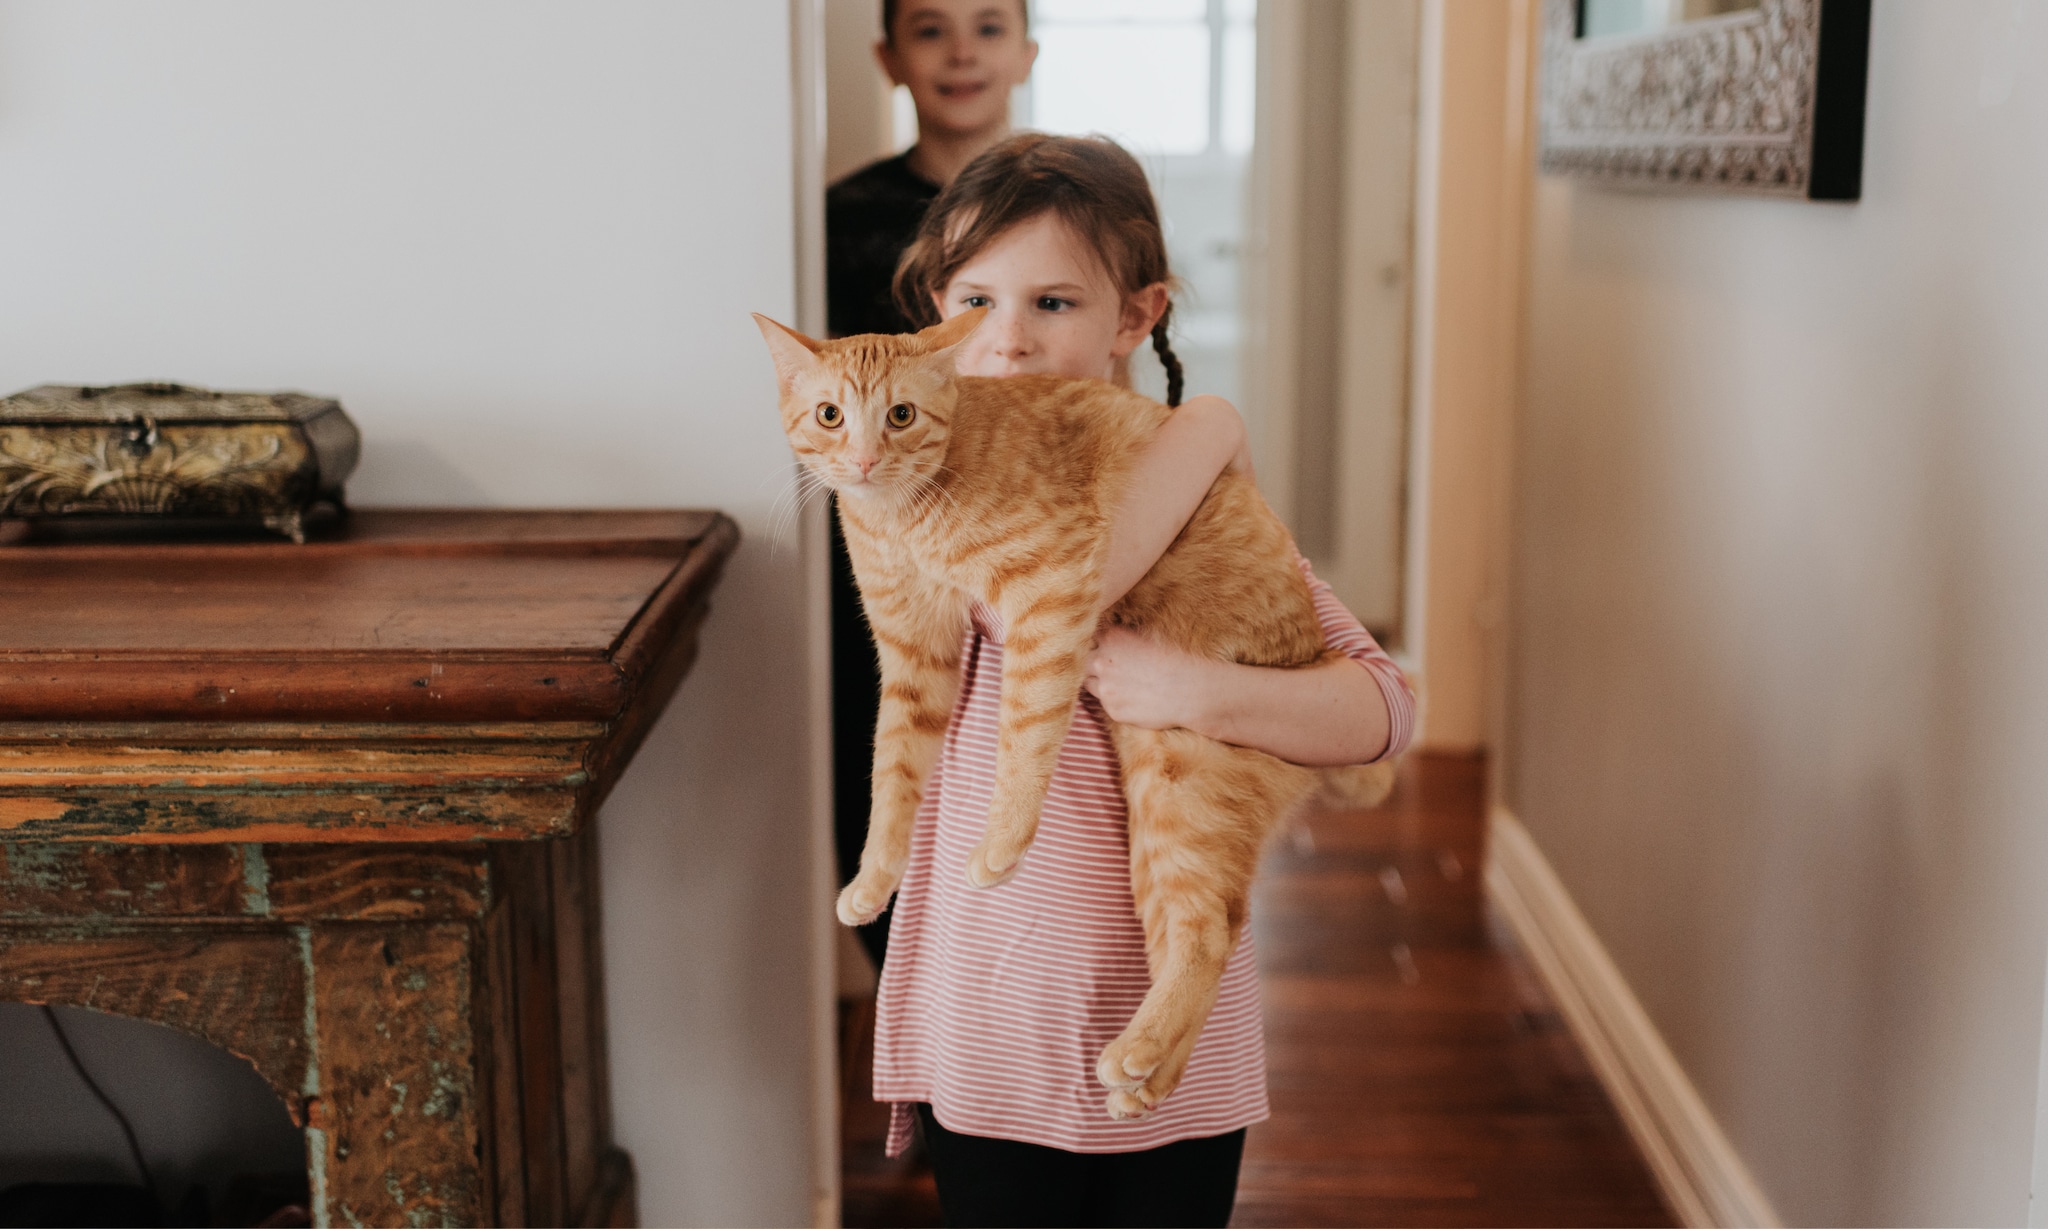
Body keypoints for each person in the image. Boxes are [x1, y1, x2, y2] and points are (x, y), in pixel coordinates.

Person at [867, 133, 1417, 1229]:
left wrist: (1189, 688)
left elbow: (1385, 710)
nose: (1008, 340)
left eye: (1053, 303)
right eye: (975, 300)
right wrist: (1208, 431)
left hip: (1175, 1036)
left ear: (1135, 315)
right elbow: (1061, 587)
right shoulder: (924, 489)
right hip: (995, 1027)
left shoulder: (1201, 503)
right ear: (936, 316)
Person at [826, 0, 1037, 967]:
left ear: (1027, 52)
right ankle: (914, 1008)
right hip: (888, 555)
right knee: (884, 768)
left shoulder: (1063, 201)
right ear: (889, 57)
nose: (961, 52)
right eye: (930, 28)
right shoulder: (839, 218)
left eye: (989, 27)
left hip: (1027, 537)